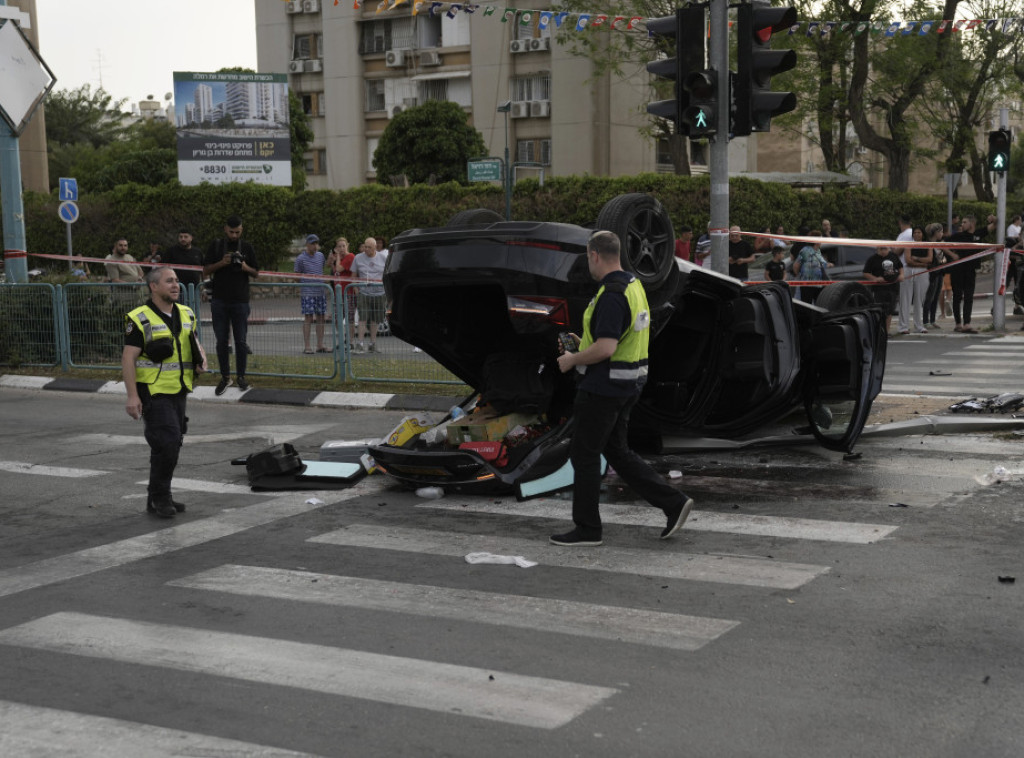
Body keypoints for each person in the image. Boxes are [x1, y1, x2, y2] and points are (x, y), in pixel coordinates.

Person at [551, 230, 693, 546]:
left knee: (584, 455)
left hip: (604, 388)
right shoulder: (632, 285)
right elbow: (620, 337)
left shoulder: (612, 294)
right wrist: (582, 345)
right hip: (627, 385)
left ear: (594, 255)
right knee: (617, 451)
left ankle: (587, 530)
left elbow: (606, 348)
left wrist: (572, 360)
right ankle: (673, 502)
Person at [121, 266, 207, 519]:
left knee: (171, 444)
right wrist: (132, 396)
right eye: (169, 281)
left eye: (177, 281)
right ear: (154, 287)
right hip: (153, 391)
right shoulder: (139, 318)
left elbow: (193, 341)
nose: (175, 285)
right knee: (167, 443)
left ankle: (158, 495)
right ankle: (159, 497)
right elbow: (128, 358)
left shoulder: (186, 313)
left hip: (179, 388)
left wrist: (202, 360)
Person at [203, 214, 258, 393]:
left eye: (238, 232)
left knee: (241, 341)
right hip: (219, 300)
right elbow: (205, 270)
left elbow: (256, 272)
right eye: (231, 232)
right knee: (221, 341)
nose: (234, 235)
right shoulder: (217, 245)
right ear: (225, 229)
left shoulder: (247, 247)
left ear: (242, 230)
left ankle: (241, 376)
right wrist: (222, 262)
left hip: (240, 300)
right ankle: (225, 377)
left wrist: (244, 266)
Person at [946, 214, 995, 334]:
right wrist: (953, 256)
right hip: (957, 269)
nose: (961, 224)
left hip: (970, 270)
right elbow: (943, 245)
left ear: (972, 224)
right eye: (961, 222)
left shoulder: (978, 234)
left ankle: (967, 323)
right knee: (957, 296)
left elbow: (995, 225)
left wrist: (994, 219)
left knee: (968, 296)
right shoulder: (958, 236)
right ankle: (958, 323)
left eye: (964, 222)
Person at [350, 237, 388, 353]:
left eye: (369, 247)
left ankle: (372, 344)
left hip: (380, 293)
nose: (366, 249)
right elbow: (353, 275)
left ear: (375, 247)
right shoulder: (358, 258)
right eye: (365, 246)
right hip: (364, 293)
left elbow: (388, 274)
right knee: (362, 318)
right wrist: (356, 289)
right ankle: (360, 344)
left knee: (375, 320)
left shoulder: (384, 258)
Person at [295, 233, 330, 353]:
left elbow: (323, 268)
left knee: (321, 317)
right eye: (313, 244)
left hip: (320, 291)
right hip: (308, 293)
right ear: (307, 244)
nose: (315, 246)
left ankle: (320, 345)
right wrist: (305, 284)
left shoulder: (320, 256)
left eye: (316, 243)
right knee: (308, 318)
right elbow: (296, 276)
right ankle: (307, 346)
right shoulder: (300, 258)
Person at [862, 245, 904, 333]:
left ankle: (886, 331)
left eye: (885, 249)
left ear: (888, 248)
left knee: (890, 310)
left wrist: (901, 275)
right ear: (877, 249)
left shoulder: (894, 256)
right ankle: (879, 330)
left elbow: (900, 267)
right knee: (880, 310)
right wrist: (875, 278)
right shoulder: (872, 259)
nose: (883, 251)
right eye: (881, 249)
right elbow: (865, 273)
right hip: (879, 289)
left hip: (893, 287)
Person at [897, 227, 931, 334]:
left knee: (919, 299)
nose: (917, 234)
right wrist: (921, 263)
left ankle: (919, 325)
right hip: (909, 271)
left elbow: (929, 260)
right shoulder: (909, 245)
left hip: (923, 273)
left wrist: (916, 259)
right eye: (915, 232)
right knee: (905, 298)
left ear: (922, 234)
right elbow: (908, 260)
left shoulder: (927, 245)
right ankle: (903, 326)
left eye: (919, 232)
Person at [327, 236, 357, 347]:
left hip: (348, 293)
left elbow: (339, 268)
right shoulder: (338, 258)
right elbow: (334, 270)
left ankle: (350, 341)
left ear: (347, 246)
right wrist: (331, 260)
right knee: (337, 318)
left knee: (349, 318)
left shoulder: (350, 256)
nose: (341, 248)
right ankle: (342, 338)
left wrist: (338, 257)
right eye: (339, 246)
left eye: (343, 246)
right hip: (337, 293)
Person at [792, 230, 831, 303]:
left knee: (819, 304)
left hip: (818, 284)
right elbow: (795, 266)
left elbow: (822, 264)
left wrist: (829, 264)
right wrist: (800, 276)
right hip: (807, 284)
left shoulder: (818, 251)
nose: (822, 241)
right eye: (821, 239)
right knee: (807, 306)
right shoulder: (805, 250)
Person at [161, 228, 204, 293]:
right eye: (180, 237)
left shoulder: (197, 252)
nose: (183, 239)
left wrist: (203, 289)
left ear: (191, 238)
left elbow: (203, 270)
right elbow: (162, 268)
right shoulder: (171, 251)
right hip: (176, 290)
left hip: (194, 290)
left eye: (185, 237)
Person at [922, 223, 946, 329]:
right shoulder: (928, 244)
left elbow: (943, 258)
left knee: (936, 296)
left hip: (940, 271)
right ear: (935, 233)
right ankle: (925, 320)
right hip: (931, 273)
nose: (942, 233)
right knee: (929, 297)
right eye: (940, 231)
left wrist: (942, 260)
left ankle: (932, 319)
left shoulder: (940, 244)